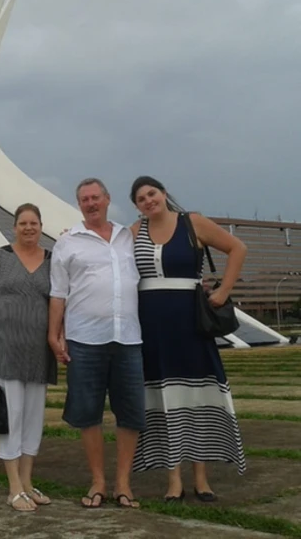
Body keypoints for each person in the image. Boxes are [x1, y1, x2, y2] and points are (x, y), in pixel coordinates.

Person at [129, 175, 247, 502]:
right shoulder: (134, 232)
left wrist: (224, 289)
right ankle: (173, 480)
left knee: (197, 396)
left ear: (164, 193)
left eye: (152, 193)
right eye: (141, 198)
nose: (148, 201)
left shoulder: (192, 222)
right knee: (164, 399)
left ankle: (201, 477)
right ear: (137, 206)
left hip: (190, 324)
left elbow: (238, 248)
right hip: (151, 326)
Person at [48, 178, 145, 509]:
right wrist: (54, 333)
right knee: (88, 413)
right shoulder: (68, 242)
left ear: (107, 199)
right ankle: (98, 481)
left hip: (128, 337)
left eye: (95, 197)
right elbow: (58, 293)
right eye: (84, 199)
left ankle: (123, 483)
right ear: (79, 205)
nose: (90, 203)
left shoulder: (127, 237)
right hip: (84, 338)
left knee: (130, 413)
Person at [0, 202, 58, 512]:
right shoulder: (0, 257)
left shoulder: (51, 260)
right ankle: (13, 488)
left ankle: (26, 481)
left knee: (33, 419)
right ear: (15, 227)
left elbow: (58, 302)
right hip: (7, 349)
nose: (29, 228)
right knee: (12, 417)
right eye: (23, 223)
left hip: (38, 352)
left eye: (34, 223)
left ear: (40, 226)